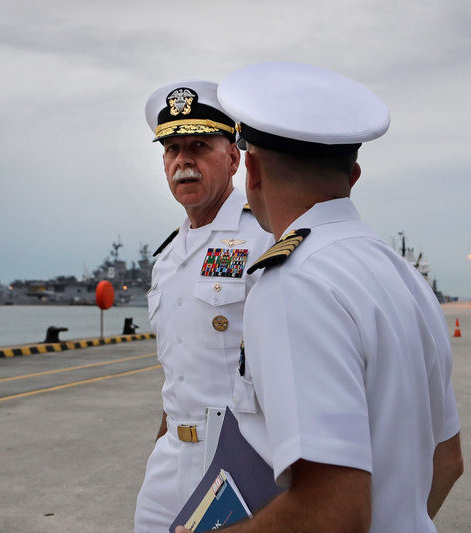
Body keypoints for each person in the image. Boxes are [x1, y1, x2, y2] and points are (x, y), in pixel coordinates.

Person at [176, 62, 463, 532]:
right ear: (353, 173)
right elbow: (447, 461)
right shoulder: (404, 277)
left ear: (251, 169)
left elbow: (333, 513)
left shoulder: (295, 282)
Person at [134, 80, 274, 532]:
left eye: (199, 146)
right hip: (170, 458)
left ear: (233, 157)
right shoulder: (169, 258)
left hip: (241, 462)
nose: (183, 161)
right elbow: (179, 368)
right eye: (172, 149)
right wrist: (164, 440)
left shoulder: (264, 240)